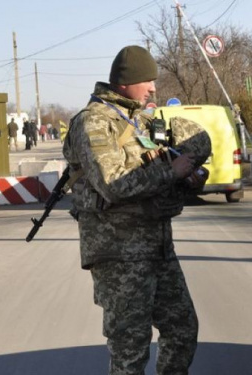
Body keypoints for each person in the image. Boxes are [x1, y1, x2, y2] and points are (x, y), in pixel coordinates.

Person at [63, 45, 209, 375]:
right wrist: (171, 172)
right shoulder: (94, 123)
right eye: (147, 81)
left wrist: (185, 171)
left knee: (183, 329)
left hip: (158, 248)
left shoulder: (140, 120)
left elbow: (168, 157)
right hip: (119, 253)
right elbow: (113, 184)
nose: (153, 88)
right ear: (125, 82)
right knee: (131, 348)